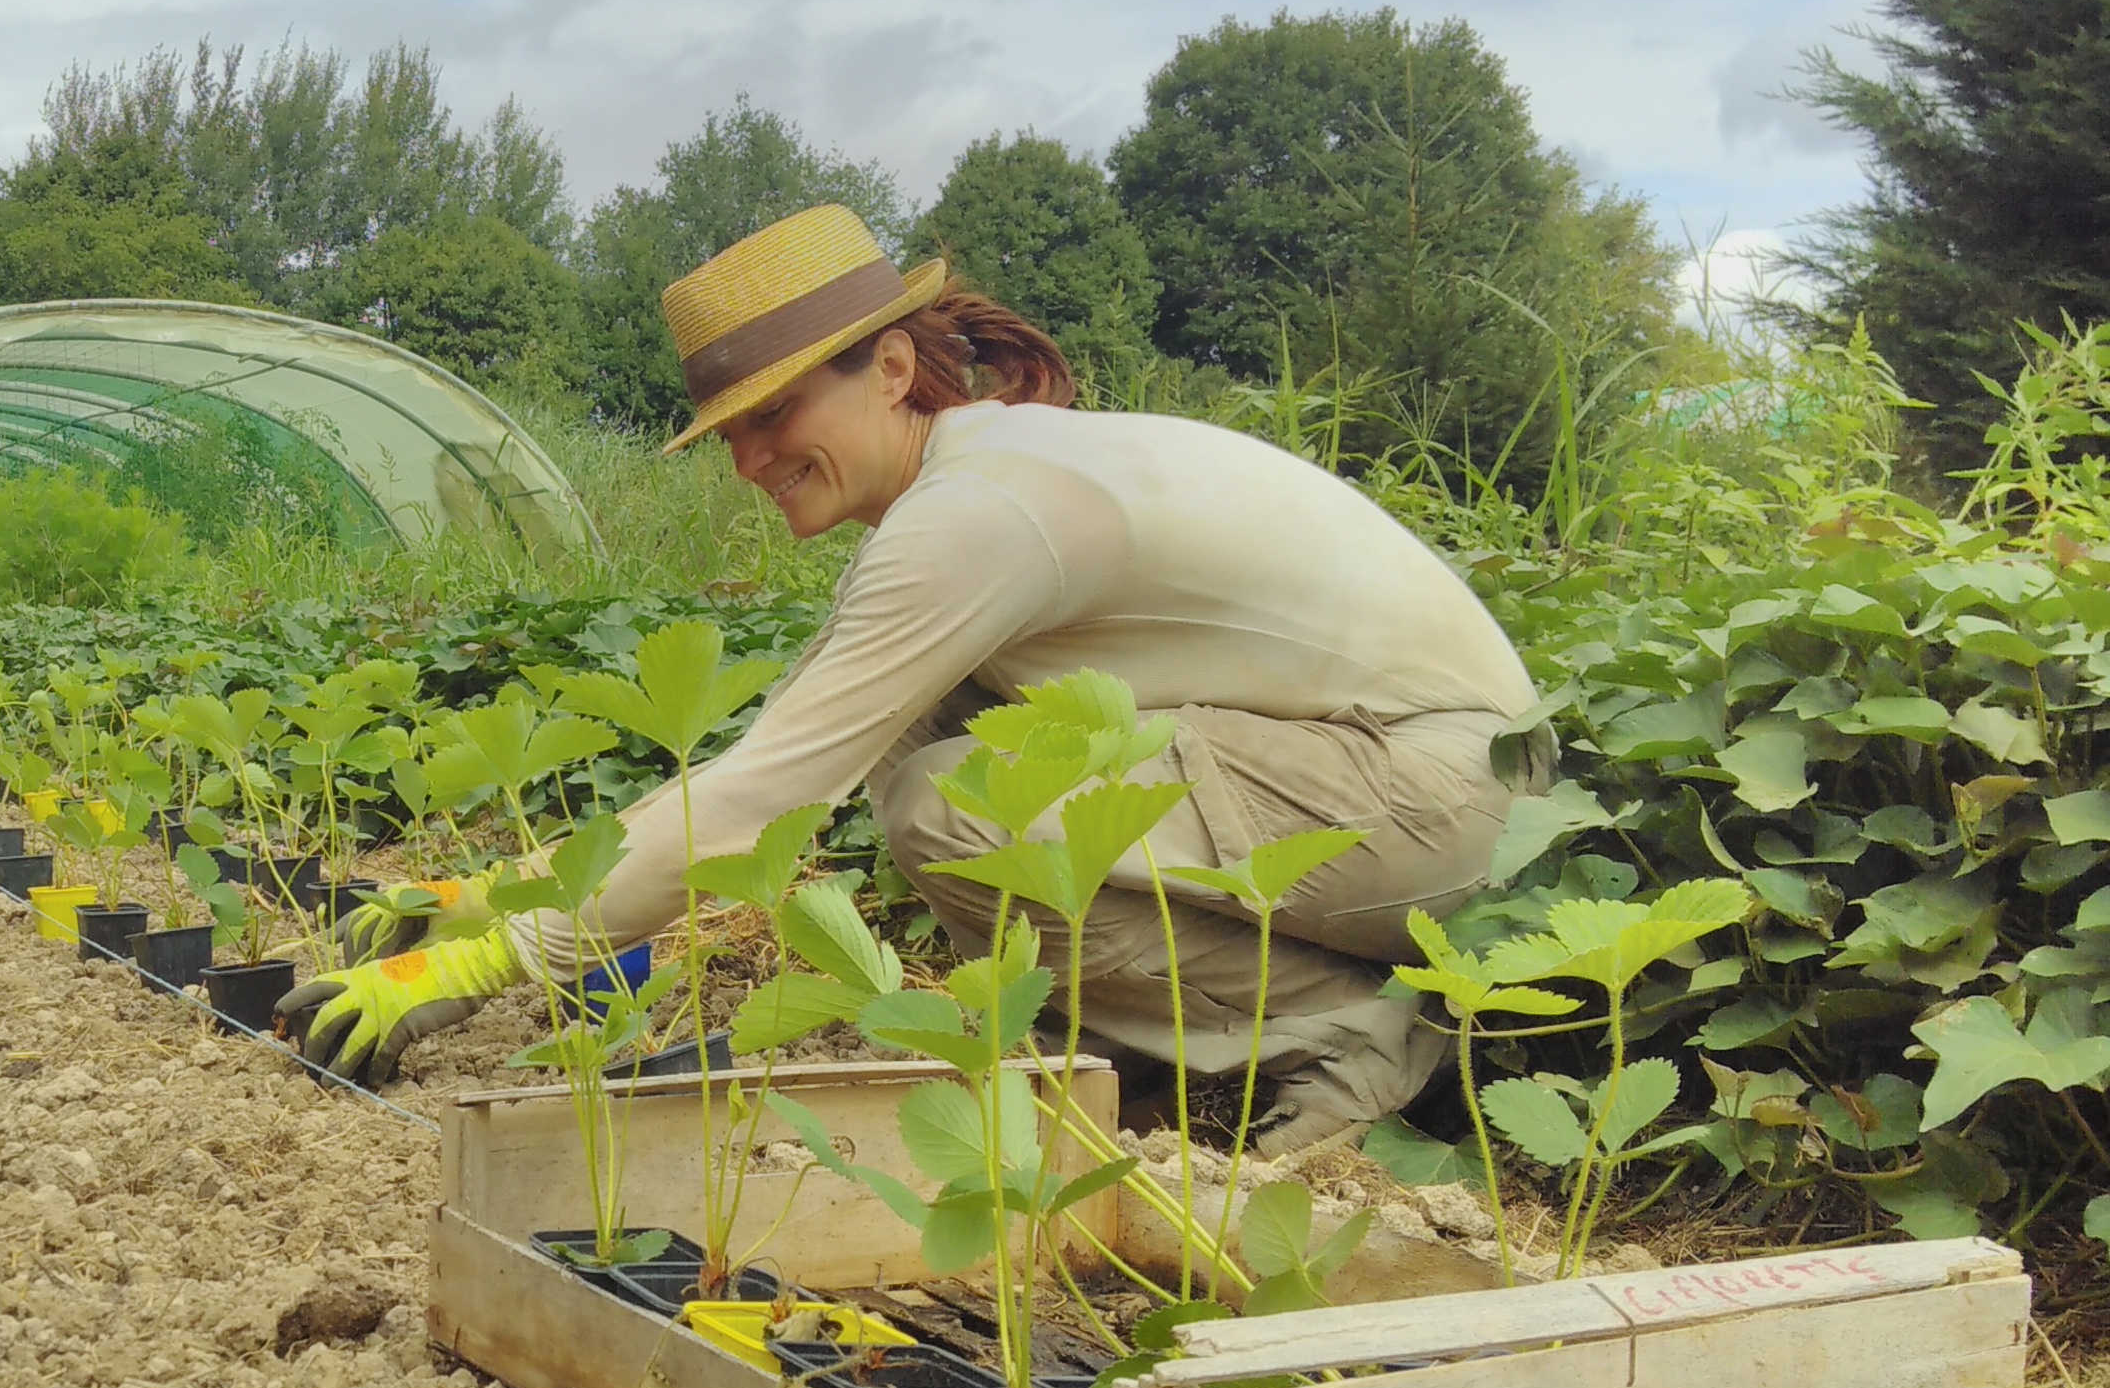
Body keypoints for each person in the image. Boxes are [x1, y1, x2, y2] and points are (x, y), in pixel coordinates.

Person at [283, 203, 1539, 1150]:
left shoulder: (978, 514)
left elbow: (755, 809)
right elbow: (764, 761)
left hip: (1440, 796)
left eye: (776, 416)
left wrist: (487, 964)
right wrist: (484, 901)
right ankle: (1148, 1065)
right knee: (925, 744)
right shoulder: (959, 498)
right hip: (1363, 792)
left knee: (953, 803)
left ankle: (1356, 1027)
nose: (753, 460)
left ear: (890, 368)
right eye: (732, 435)